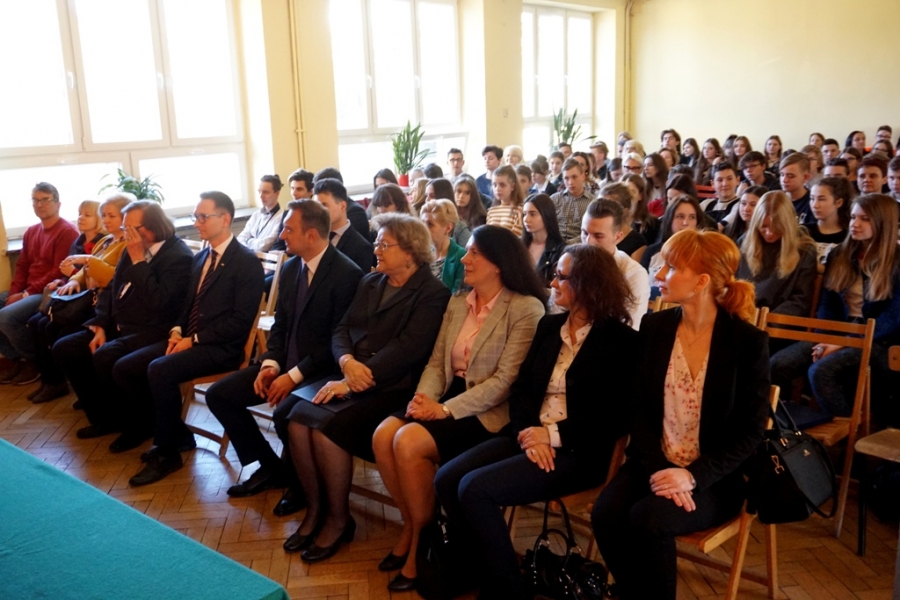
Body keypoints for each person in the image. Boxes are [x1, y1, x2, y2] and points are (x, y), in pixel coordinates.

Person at [434, 243, 637, 598]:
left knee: (475, 489)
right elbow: (523, 388)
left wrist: (551, 436)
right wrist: (530, 432)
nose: (552, 283)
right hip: (529, 436)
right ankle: (476, 567)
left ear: (589, 284)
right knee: (447, 478)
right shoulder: (550, 325)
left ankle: (508, 589)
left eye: (561, 277)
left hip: (578, 452)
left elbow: (612, 417)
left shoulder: (621, 342)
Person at [592, 228, 769, 600]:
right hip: (655, 462)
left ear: (702, 281)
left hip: (714, 477)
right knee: (606, 514)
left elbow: (752, 431)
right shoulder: (656, 327)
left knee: (649, 518)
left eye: (671, 268)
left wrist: (692, 477)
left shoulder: (746, 342)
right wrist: (661, 470)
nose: (658, 275)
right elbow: (637, 407)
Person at [371, 226, 546, 591]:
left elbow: (505, 382)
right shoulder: (458, 302)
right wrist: (423, 399)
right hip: (447, 395)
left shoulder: (525, 308)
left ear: (498, 264)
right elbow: (437, 363)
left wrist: (445, 410)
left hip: (488, 411)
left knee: (408, 441)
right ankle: (412, 524)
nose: (464, 259)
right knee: (383, 434)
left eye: (474, 253)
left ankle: (421, 544)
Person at [283, 213, 450, 563]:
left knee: (328, 429)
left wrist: (356, 377)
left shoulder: (432, 293)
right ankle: (316, 510)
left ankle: (339, 519)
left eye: (384, 244)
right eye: (377, 242)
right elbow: (341, 329)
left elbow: (409, 348)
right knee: (297, 420)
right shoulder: (371, 281)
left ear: (410, 252)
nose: (376, 249)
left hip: (392, 386)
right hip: (352, 374)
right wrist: (346, 362)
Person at [205, 200, 362, 513]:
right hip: (286, 365)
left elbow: (336, 341)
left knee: (284, 414)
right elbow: (281, 326)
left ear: (312, 235)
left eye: (289, 229)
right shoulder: (291, 268)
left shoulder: (347, 274)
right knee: (219, 395)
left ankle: (302, 485)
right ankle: (272, 467)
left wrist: (292, 377)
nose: (282, 235)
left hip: (321, 371)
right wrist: (271, 364)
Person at [125, 192, 265, 486]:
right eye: (195, 217)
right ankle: (176, 436)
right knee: (133, 365)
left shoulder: (246, 262)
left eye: (203, 217)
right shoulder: (202, 257)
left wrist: (194, 339)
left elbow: (239, 323)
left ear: (225, 219)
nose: (197, 223)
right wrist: (177, 331)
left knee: (159, 369)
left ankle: (167, 453)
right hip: (191, 339)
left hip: (222, 347)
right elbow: (186, 305)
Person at [53, 201, 193, 450]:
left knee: (107, 357)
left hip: (155, 329)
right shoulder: (135, 246)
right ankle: (105, 418)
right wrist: (100, 324)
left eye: (131, 228)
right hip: (123, 324)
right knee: (66, 348)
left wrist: (139, 262)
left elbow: (159, 303)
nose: (125, 233)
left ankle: (137, 425)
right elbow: (112, 289)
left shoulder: (177, 257)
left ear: (151, 228)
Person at [770, 194, 900, 424]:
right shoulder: (840, 254)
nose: (855, 224)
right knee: (777, 365)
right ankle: (781, 428)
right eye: (853, 217)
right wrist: (825, 338)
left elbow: (891, 320)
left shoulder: (897, 261)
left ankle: (844, 433)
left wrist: (844, 342)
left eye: (865, 219)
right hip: (838, 331)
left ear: (883, 223)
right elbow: (826, 305)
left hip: (879, 341)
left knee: (821, 371)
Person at [27, 193, 132, 404]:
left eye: (111, 216)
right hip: (91, 301)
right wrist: (74, 280)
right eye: (104, 215)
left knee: (58, 334)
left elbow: (113, 278)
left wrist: (88, 260)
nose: (106, 220)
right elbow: (85, 271)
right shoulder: (106, 240)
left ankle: (83, 390)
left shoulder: (127, 245)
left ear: (125, 217)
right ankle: (65, 384)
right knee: (42, 324)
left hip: (104, 307)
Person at [0, 183, 79, 386]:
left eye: (45, 200)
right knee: (4, 306)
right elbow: (22, 267)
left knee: (6, 317)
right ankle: (17, 359)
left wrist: (24, 295)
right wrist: (15, 292)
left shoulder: (67, 231)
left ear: (58, 204)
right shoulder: (31, 231)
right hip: (28, 289)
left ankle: (36, 362)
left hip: (47, 291)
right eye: (35, 200)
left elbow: (58, 271)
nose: (40, 204)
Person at [738, 191, 818, 318]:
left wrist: (767, 320)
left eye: (776, 227)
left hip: (778, 321)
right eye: (764, 226)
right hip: (743, 316)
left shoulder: (804, 250)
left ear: (787, 225)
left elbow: (800, 300)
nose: (769, 233)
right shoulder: (744, 243)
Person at [580, 199, 650, 330]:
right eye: (584, 233)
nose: (588, 242)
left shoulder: (634, 274)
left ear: (618, 237)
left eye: (598, 236)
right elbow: (557, 310)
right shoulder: (570, 262)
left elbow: (631, 328)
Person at [642, 195, 705, 298]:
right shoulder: (652, 251)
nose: (686, 223)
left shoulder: (704, 253)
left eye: (692, 217)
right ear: (669, 220)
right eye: (680, 216)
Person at [314, 178, 373, 272]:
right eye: (317, 206)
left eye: (324, 205)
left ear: (342, 206)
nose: (319, 211)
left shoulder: (361, 247)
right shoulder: (314, 237)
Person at [420, 199, 466, 293]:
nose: (424, 229)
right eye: (422, 223)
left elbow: (456, 295)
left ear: (448, 228)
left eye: (430, 224)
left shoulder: (461, 257)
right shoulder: (422, 253)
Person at [522, 193, 565, 287]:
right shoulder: (518, 245)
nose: (526, 219)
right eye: (524, 214)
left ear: (547, 215)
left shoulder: (560, 249)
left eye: (532, 214)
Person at [807, 176, 851, 267]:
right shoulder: (804, 231)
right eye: (812, 199)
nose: (815, 205)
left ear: (838, 203)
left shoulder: (848, 236)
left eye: (821, 199)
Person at [552, 158, 595, 244]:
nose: (570, 182)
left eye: (574, 177)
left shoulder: (593, 202)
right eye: (566, 178)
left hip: (581, 246)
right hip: (555, 244)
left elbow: (591, 231)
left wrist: (567, 244)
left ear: (583, 176)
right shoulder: (554, 199)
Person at [601, 182, 647, 262]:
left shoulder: (637, 242)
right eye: (599, 204)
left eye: (608, 208)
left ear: (624, 211)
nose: (601, 211)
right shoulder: (594, 232)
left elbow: (634, 269)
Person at [485, 165, 524, 236]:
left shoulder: (519, 210)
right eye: (494, 185)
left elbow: (516, 238)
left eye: (502, 185)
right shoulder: (491, 211)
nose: (497, 189)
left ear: (512, 186)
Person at [779, 152, 814, 224]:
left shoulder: (812, 202)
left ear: (805, 177)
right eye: (782, 175)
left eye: (790, 176)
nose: (784, 180)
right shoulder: (777, 200)